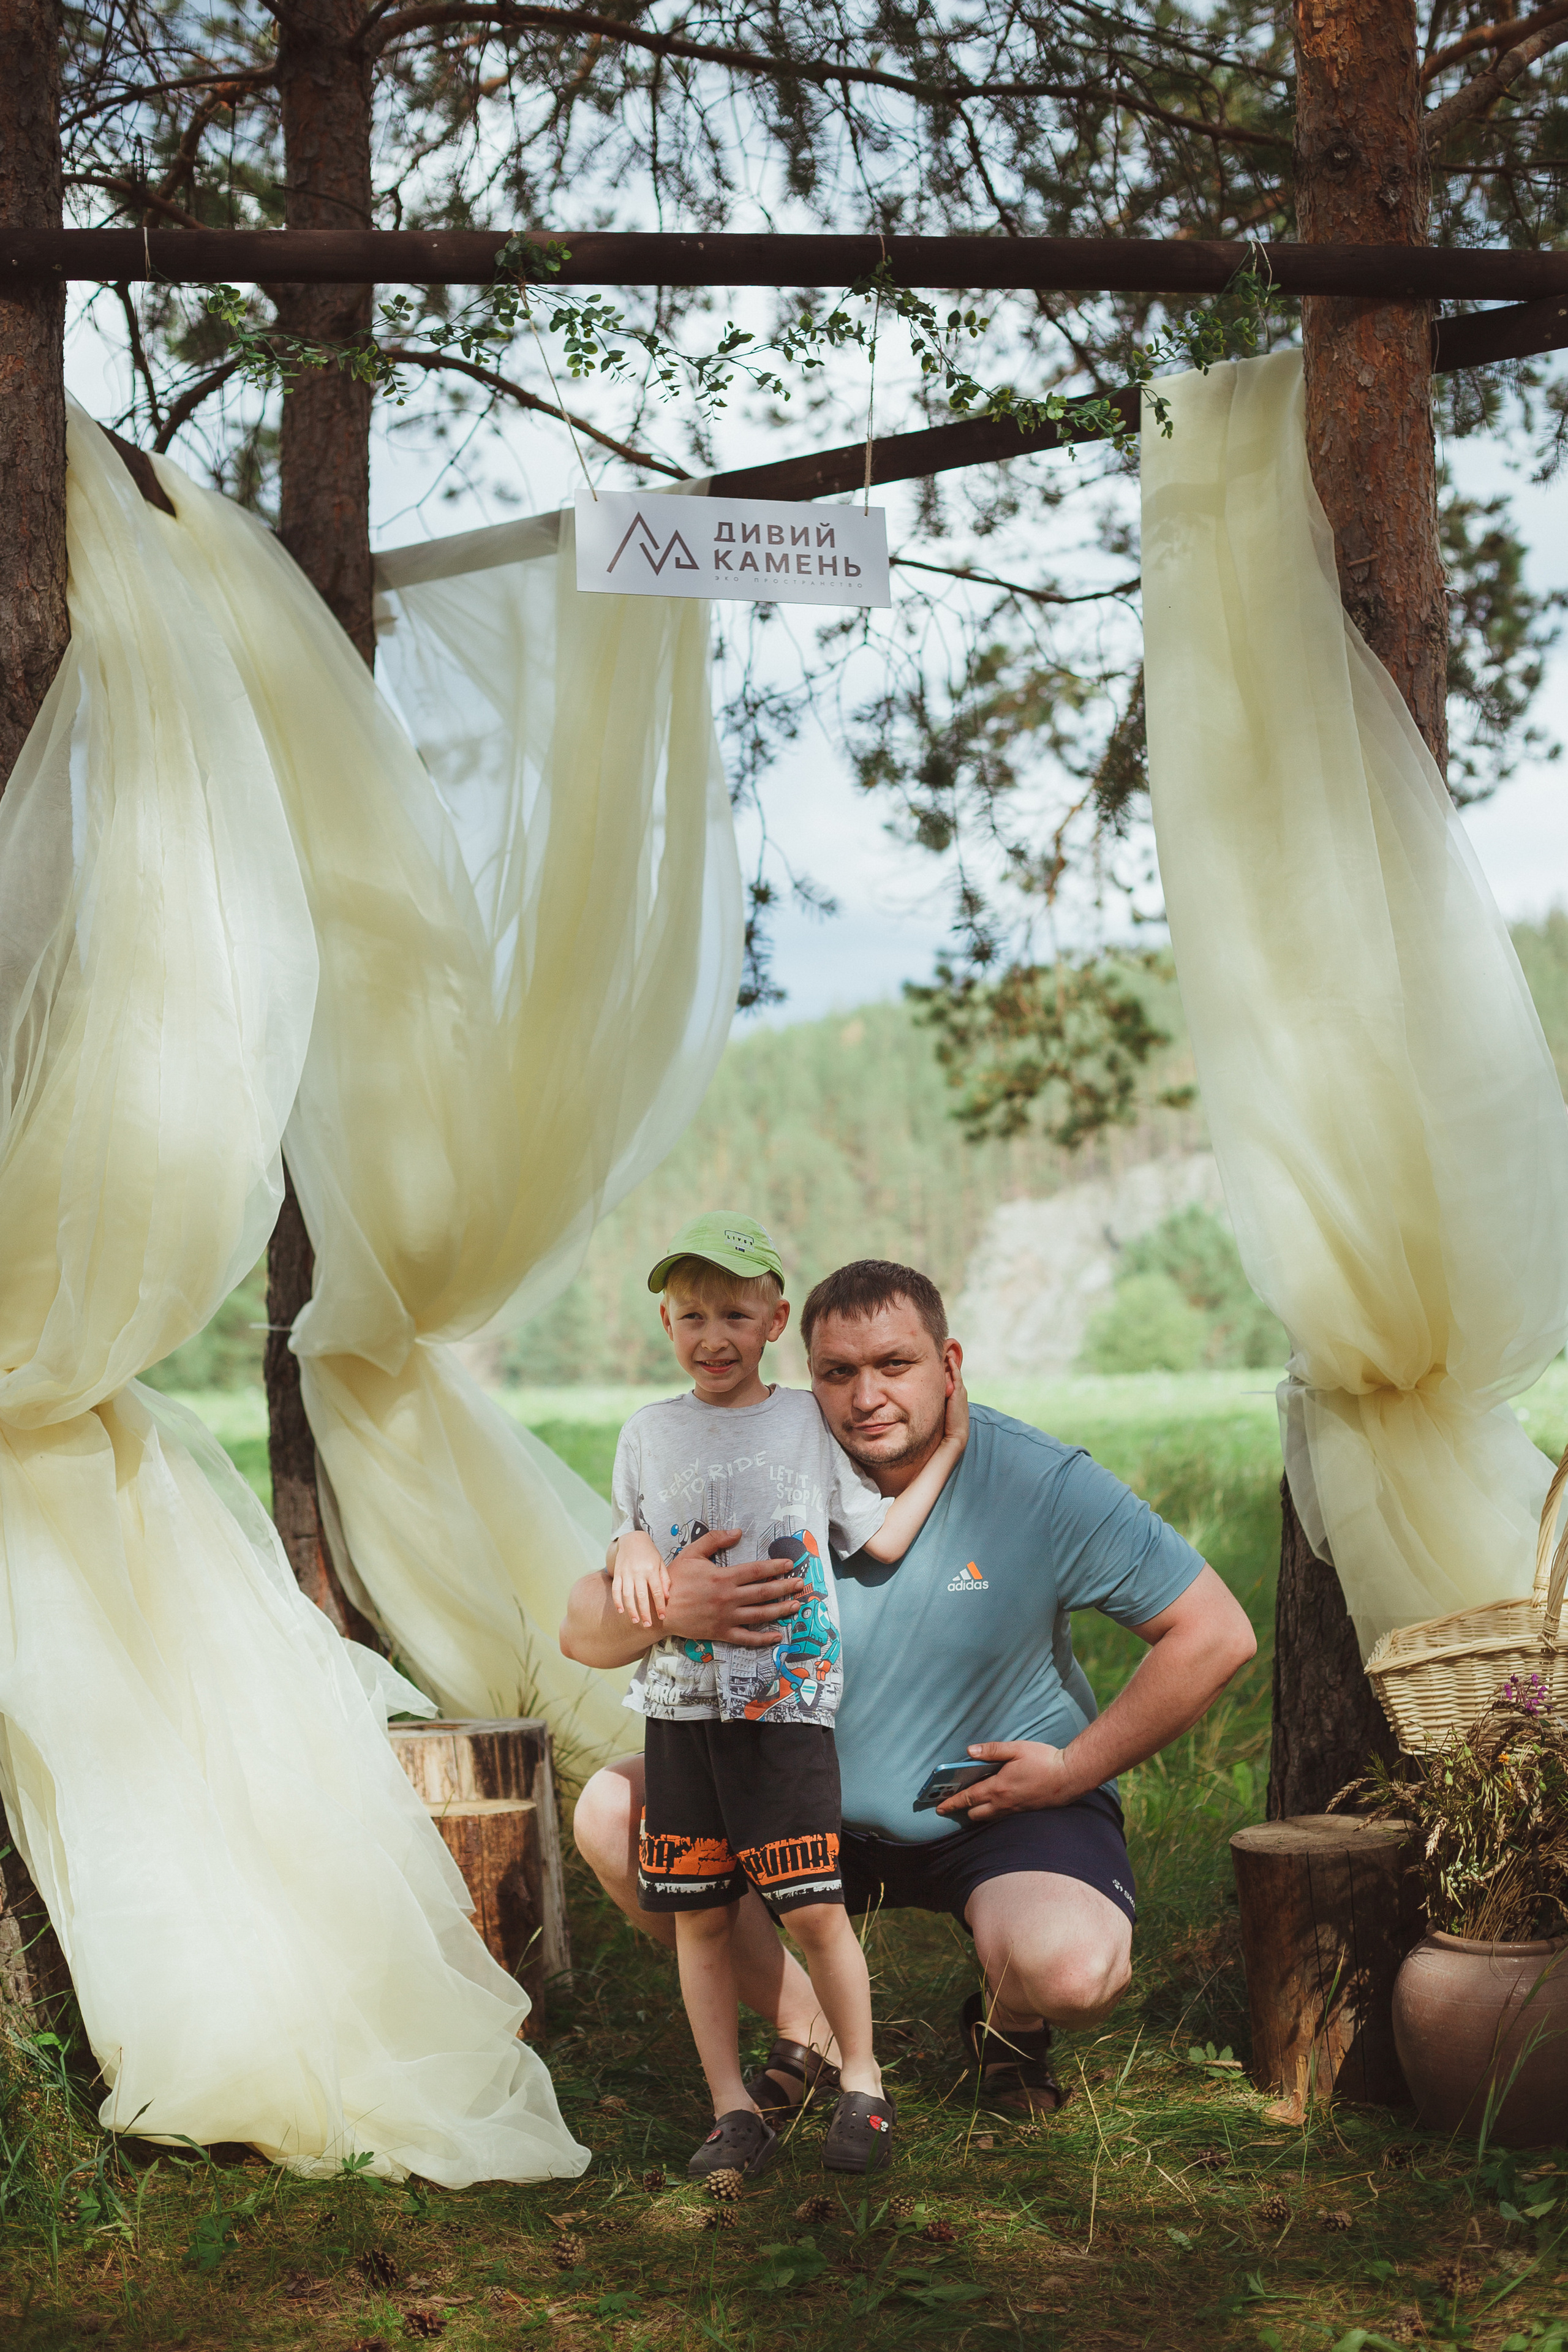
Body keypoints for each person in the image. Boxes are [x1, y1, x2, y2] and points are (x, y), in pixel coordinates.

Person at [564, 1257, 1257, 2117]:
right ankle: (809, 2027)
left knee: (1073, 1973)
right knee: (610, 1815)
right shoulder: (770, 1454)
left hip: (996, 1805)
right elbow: (580, 1629)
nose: (867, 1398)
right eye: (838, 1372)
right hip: (788, 1792)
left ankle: (1011, 2025)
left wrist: (1073, 1770)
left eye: (895, 1364)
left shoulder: (1037, 1480)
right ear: (803, 1371)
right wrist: (668, 1605)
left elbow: (1217, 1633)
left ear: (949, 1365)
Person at [604, 1218, 968, 2180]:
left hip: (786, 1709)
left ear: (774, 1321)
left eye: (735, 1314)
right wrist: (629, 1546)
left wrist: (947, 1448)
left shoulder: (808, 1422)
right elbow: (627, 1533)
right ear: (666, 1322)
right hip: (681, 1712)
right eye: (692, 1316)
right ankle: (732, 2107)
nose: (712, 1336)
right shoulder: (646, 1433)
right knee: (700, 1917)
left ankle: (864, 2084)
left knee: (811, 1907)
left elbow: (878, 1538)